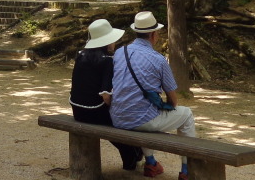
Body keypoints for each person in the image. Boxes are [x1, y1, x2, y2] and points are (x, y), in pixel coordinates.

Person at [111, 11, 198, 180]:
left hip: (118, 118)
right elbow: (173, 100)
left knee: (142, 110)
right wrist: (164, 104)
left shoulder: (120, 52)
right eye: (157, 33)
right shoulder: (158, 59)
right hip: (141, 120)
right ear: (152, 34)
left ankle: (151, 162)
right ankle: (187, 170)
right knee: (186, 114)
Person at [69, 19, 144, 170]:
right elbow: (105, 95)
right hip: (94, 110)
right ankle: (133, 156)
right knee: (120, 121)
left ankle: (133, 155)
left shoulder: (80, 55)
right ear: (107, 42)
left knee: (113, 125)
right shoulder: (107, 61)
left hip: (77, 109)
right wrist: (113, 108)